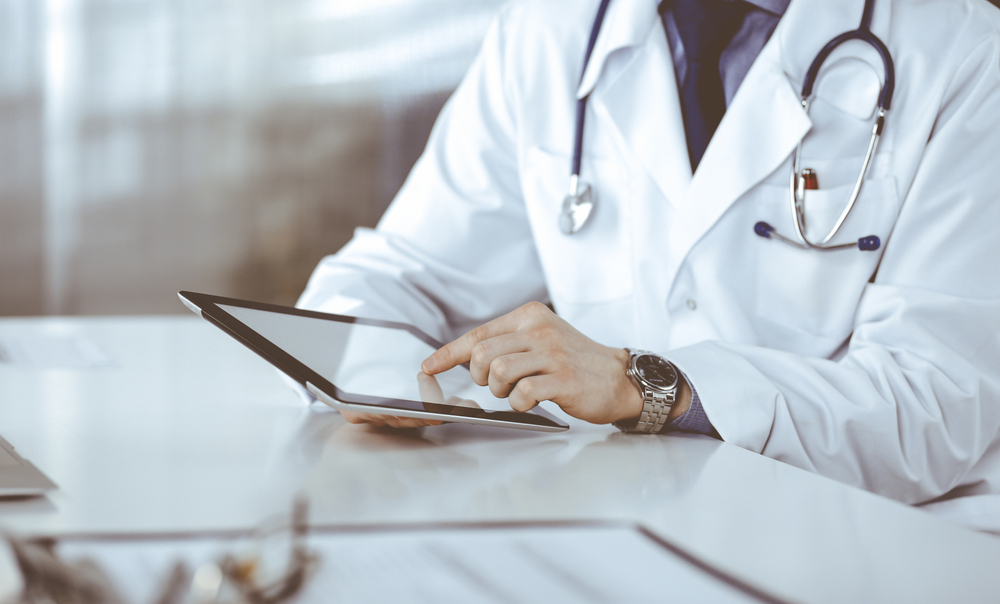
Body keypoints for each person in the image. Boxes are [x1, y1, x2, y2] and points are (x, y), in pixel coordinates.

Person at [296, 0, 1000, 533]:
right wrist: (376, 376)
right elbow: (397, 275)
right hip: (627, 520)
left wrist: (653, 386)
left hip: (884, 535)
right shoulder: (554, 29)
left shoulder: (964, 50)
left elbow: (937, 401)